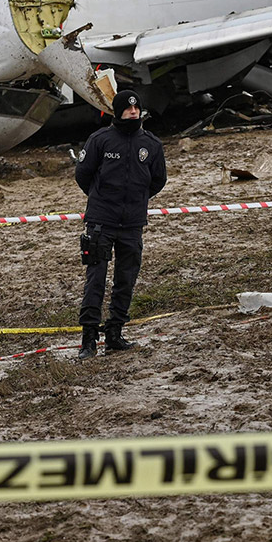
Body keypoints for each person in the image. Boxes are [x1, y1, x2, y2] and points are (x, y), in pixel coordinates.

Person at [73, 89, 167, 359]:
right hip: (101, 223)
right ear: (117, 111)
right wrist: (102, 199)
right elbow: (83, 175)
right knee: (96, 280)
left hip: (133, 224)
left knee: (126, 280)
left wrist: (136, 200)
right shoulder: (100, 140)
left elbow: (158, 180)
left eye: (136, 108)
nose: (133, 112)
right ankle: (88, 340)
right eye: (127, 108)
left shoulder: (151, 144)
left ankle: (114, 333)